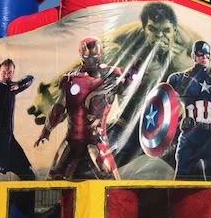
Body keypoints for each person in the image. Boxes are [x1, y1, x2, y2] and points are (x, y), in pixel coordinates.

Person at [33, 37, 138, 180]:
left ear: (100, 54)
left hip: (96, 140)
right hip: (72, 139)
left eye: (94, 56)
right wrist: (46, 131)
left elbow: (127, 89)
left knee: (109, 179)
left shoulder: (111, 75)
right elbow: (58, 109)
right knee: (55, 178)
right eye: (88, 57)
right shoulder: (70, 79)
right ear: (81, 55)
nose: (91, 61)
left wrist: (134, 75)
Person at [166, 41, 211, 180]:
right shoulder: (180, 79)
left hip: (209, 137)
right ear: (193, 56)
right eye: (201, 54)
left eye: (207, 55)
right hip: (189, 135)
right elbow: (166, 104)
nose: (204, 58)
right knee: (182, 179)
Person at [0, 58, 36, 181]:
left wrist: (19, 84)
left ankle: (23, 195)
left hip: (9, 140)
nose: (6, 75)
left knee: (28, 175)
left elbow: (30, 79)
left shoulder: (12, 88)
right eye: (3, 72)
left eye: (9, 73)